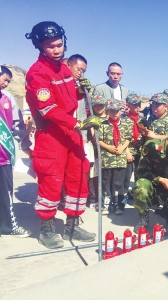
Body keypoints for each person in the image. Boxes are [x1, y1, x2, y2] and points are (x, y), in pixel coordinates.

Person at [25, 21, 96, 249]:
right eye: (50, 46)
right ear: (39, 46)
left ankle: (72, 227)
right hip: (52, 133)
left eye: (59, 45)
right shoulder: (37, 73)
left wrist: (80, 90)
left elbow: (67, 100)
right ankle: (46, 229)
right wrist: (77, 124)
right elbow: (48, 109)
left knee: (78, 175)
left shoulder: (65, 68)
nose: (56, 50)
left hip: (71, 131)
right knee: (51, 179)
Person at [0, 66, 33, 237]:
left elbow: (18, 126)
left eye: (8, 81)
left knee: (5, 194)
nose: (5, 84)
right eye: (4, 79)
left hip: (3, 157)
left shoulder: (8, 99)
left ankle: (8, 226)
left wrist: (27, 147)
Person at [98, 100, 131, 215]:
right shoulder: (102, 124)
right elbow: (99, 140)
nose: (115, 113)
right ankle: (107, 203)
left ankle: (118, 204)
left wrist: (123, 148)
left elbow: (128, 138)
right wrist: (108, 147)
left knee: (118, 182)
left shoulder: (125, 124)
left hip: (120, 157)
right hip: (108, 158)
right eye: (112, 111)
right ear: (107, 111)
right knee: (107, 181)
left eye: (117, 111)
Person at [122, 93, 147, 200]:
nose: (137, 107)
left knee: (139, 174)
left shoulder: (143, 119)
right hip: (129, 150)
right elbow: (121, 138)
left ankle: (137, 195)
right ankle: (122, 196)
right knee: (126, 175)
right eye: (134, 105)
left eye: (139, 104)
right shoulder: (123, 120)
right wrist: (127, 151)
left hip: (140, 150)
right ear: (128, 105)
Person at [87, 94, 109, 207]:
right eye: (96, 105)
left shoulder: (110, 117)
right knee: (93, 175)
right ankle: (93, 198)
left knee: (106, 176)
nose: (98, 108)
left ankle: (105, 197)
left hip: (109, 152)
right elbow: (93, 136)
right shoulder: (91, 118)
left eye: (101, 105)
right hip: (95, 151)